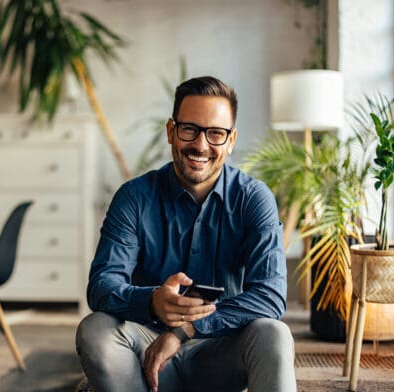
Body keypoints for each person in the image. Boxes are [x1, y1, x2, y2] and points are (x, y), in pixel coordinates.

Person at [76, 76, 296, 392]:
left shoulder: (253, 198)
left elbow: (270, 295)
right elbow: (102, 285)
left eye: (216, 134)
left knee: (274, 333)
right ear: (171, 131)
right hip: (145, 355)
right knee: (95, 330)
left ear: (231, 140)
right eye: (189, 129)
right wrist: (152, 301)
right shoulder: (134, 197)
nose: (201, 145)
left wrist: (185, 330)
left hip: (221, 352)